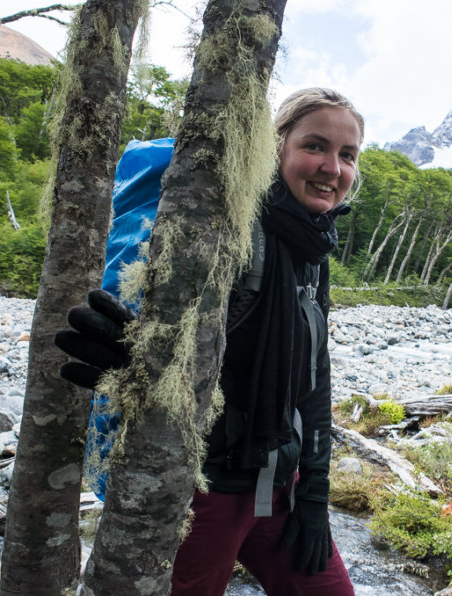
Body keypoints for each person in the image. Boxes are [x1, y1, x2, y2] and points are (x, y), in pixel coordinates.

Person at [55, 88, 363, 595]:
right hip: (202, 494)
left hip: (278, 488)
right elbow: (162, 329)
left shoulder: (312, 250)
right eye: (315, 146)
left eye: (347, 155)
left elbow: (314, 378)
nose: (332, 166)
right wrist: (141, 357)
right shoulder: (228, 233)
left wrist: (315, 494)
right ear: (277, 148)